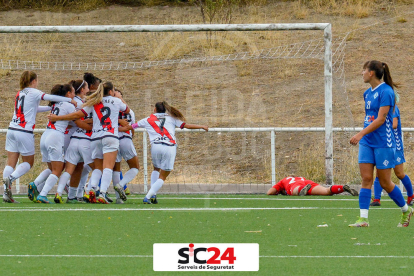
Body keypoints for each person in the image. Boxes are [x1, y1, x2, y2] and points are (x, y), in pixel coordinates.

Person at [349, 60, 413, 227]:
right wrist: (363, 136)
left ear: (371, 73)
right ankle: (363, 219)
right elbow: (370, 118)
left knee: (385, 182)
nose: (361, 73)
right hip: (367, 142)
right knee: (366, 179)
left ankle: (406, 209)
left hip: (384, 143)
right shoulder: (367, 93)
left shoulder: (386, 92)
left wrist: (360, 134)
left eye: (364, 70)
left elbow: (381, 119)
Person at [48, 81, 129, 204]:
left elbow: (77, 115)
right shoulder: (116, 101)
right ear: (111, 91)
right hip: (108, 135)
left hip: (95, 138)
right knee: (107, 167)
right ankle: (101, 193)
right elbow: (127, 110)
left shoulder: (94, 103)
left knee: (94, 167)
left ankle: (85, 190)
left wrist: (57, 118)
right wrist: (119, 98)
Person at [3, 71, 77, 203]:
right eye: (37, 80)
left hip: (12, 129)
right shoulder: (34, 92)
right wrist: (69, 100)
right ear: (33, 81)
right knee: (28, 162)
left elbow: (34, 109)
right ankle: (12, 178)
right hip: (24, 131)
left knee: (11, 162)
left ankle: (5, 193)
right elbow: (49, 96)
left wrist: (50, 109)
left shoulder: (19, 93)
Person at [127, 101, 208, 204]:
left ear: (155, 109)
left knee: (156, 168)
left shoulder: (147, 119)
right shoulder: (172, 119)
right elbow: (186, 125)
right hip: (169, 146)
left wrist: (119, 127)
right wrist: (201, 126)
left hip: (155, 146)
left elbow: (132, 126)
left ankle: (153, 195)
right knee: (163, 175)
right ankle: (148, 196)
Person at [33, 84, 77, 203]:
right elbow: (77, 121)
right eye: (73, 92)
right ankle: (42, 194)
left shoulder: (55, 104)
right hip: (55, 136)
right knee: (58, 170)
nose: (74, 95)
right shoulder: (68, 105)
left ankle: (35, 185)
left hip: (46, 134)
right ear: (67, 94)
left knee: (52, 168)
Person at [370, 103, 413, 207]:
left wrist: (379, 124)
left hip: (396, 145)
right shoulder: (380, 108)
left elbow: (394, 124)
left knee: (399, 173)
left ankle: (411, 195)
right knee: (380, 172)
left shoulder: (393, 107)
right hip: (384, 144)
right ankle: (377, 199)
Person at [112, 89, 139, 204]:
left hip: (112, 139)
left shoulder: (109, 110)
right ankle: (121, 185)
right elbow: (132, 127)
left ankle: (118, 198)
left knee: (116, 169)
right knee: (135, 167)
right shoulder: (129, 111)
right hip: (125, 139)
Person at [266, 176, 358, 196]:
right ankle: (342, 188)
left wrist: (281, 191)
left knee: (295, 191)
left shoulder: (284, 181)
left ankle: (301, 191)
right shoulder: (300, 177)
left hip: (295, 185)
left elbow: (270, 192)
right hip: (307, 182)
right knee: (326, 191)